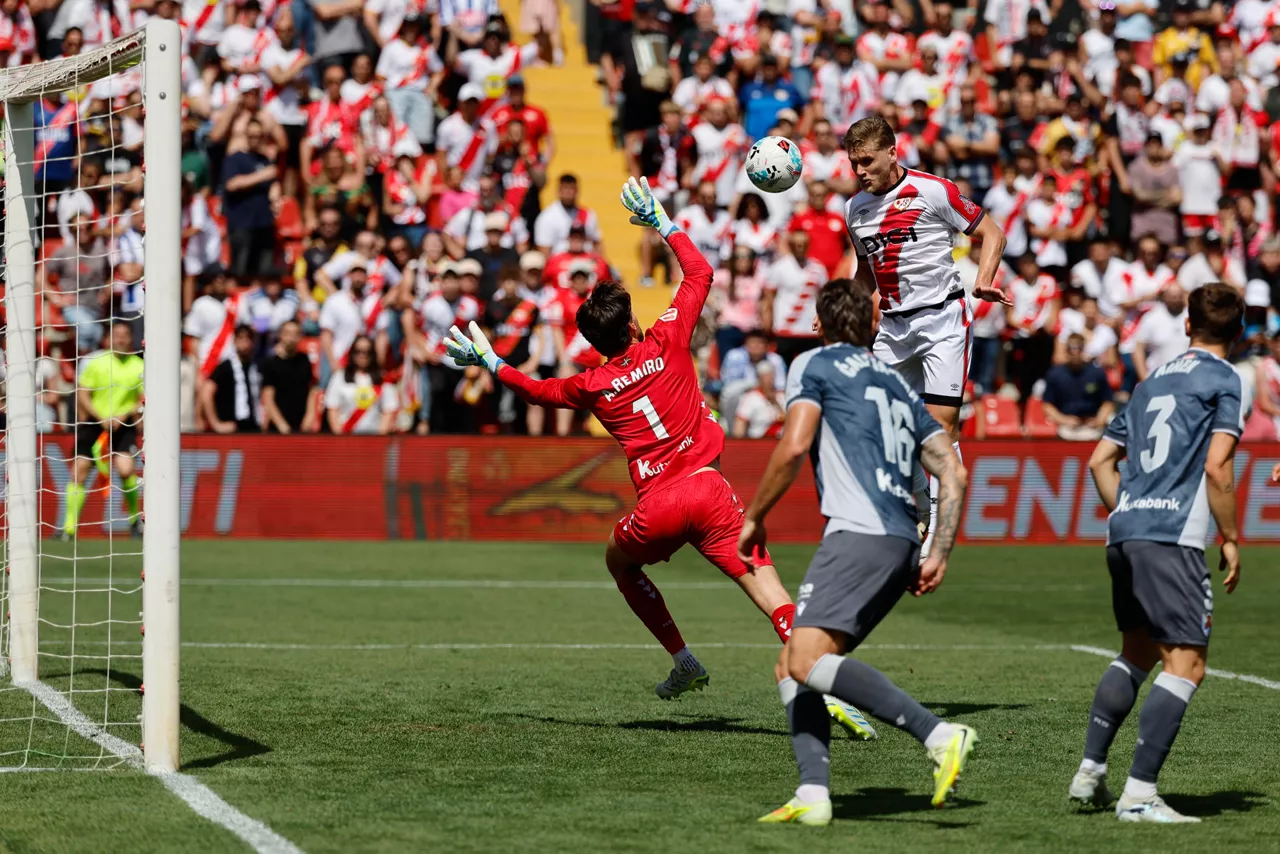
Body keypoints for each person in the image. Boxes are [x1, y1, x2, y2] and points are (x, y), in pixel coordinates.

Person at [446, 177, 875, 738]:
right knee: (773, 597)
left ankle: (682, 658)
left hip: (661, 505)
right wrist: (662, 223)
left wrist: (491, 361)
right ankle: (828, 682)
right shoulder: (668, 338)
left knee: (619, 564)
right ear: (631, 325)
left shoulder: (592, 384)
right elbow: (701, 273)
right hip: (712, 491)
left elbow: (538, 391)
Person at [738, 277, 974, 826]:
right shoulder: (897, 385)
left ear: (817, 325)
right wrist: (937, 548)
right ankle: (814, 794)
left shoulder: (812, 365)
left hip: (858, 532)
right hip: (899, 539)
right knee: (792, 666)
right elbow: (952, 470)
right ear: (872, 325)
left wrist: (752, 517)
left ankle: (939, 734)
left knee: (803, 659)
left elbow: (794, 444)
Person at [1071, 283, 1247, 823]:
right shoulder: (1225, 378)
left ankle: (1090, 774)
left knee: (1138, 652)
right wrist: (1232, 536)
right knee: (1186, 664)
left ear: (1188, 325)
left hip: (1124, 529)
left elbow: (1101, 460)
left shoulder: (1148, 382)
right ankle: (1139, 794)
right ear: (1238, 334)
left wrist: (1128, 509)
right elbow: (1217, 467)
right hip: (1172, 535)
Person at [844, 115, 1010, 557]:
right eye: (853, 162)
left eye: (866, 160)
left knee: (940, 425)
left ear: (892, 153)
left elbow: (992, 231)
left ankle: (936, 527)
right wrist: (843, 307)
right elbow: (864, 272)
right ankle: (921, 506)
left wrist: (984, 279)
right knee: (873, 419)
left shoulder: (933, 190)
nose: (860, 171)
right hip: (894, 327)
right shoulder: (855, 209)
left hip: (942, 320)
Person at [63, 322, 144, 539]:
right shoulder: (96, 362)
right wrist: (101, 417)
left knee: (126, 469)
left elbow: (142, 399)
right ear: (108, 339)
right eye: (116, 335)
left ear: (131, 339)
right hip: (94, 421)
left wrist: (124, 415)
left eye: (125, 335)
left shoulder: (139, 365)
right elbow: (82, 393)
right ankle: (68, 528)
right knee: (80, 469)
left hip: (123, 424)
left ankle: (135, 521)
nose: (121, 340)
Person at [1041, 333, 1116, 441]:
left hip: (1091, 425)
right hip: (1065, 426)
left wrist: (1099, 420)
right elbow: (1047, 405)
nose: (1075, 352)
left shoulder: (1096, 373)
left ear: (1083, 349)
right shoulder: (1055, 374)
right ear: (1066, 350)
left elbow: (1108, 402)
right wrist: (1063, 420)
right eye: (1072, 348)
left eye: (1079, 348)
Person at [260, 319, 320, 434]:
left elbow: (312, 390)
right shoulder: (271, 364)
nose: (291, 338)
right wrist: (282, 425)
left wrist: (310, 416)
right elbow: (268, 397)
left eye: (295, 334)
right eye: (287, 333)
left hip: (302, 425)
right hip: (278, 428)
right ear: (280, 335)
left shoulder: (304, 360)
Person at [202, 326, 263, 434]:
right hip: (230, 430)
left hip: (253, 428)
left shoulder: (256, 367)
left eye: (248, 338)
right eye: (241, 338)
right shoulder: (225, 367)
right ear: (234, 341)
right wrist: (216, 424)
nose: (244, 342)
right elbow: (206, 393)